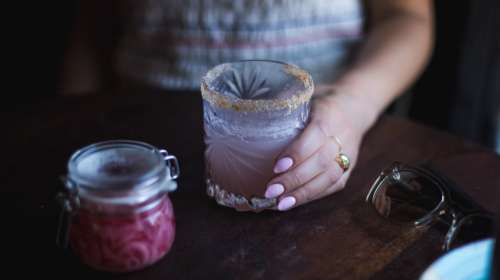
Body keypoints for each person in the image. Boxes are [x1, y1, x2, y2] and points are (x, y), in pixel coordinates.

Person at [60, 0, 434, 211]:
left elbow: (406, 16)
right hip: (136, 161)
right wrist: (72, 141)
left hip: (317, 144)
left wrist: (352, 104)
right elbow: (91, 28)